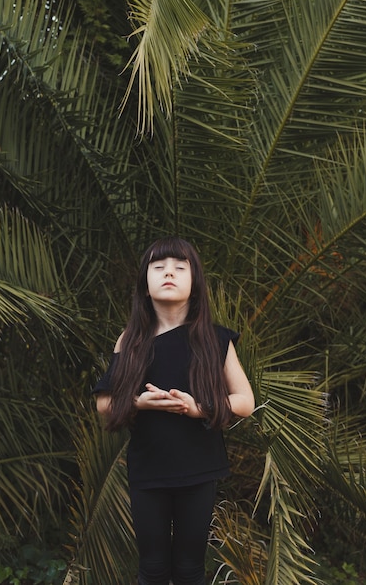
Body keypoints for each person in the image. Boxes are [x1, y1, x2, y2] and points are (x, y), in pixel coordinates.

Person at [93, 236, 255, 585]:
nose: (169, 273)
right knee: (152, 568)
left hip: (199, 471)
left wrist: (199, 408)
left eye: (180, 267)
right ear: (145, 285)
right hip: (148, 471)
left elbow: (245, 401)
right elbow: (104, 404)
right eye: (159, 267)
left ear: (195, 284)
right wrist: (138, 401)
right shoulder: (130, 339)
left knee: (190, 569)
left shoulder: (216, 339)